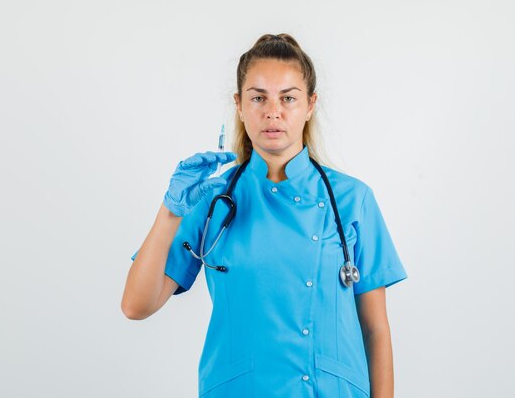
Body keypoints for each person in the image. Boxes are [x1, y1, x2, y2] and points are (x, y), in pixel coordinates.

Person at [121, 33, 408, 398]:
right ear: (239, 105)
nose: (273, 111)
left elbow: (376, 330)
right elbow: (136, 305)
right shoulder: (212, 199)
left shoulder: (352, 199)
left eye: (288, 98)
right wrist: (170, 212)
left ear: (310, 105)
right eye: (258, 98)